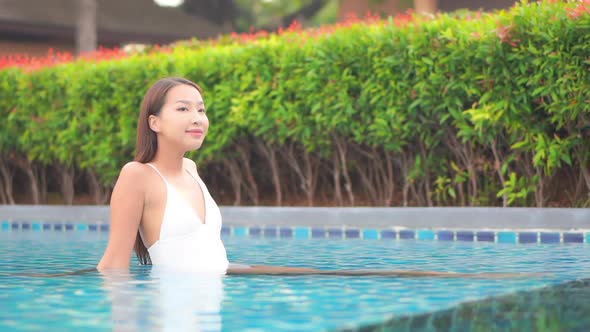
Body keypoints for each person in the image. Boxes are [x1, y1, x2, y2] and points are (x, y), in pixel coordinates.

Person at [95, 77, 531, 279]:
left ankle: (476, 278)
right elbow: (115, 264)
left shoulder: (191, 169)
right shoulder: (137, 176)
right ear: (153, 121)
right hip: (176, 314)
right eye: (184, 108)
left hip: (218, 291)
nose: (198, 118)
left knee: (354, 274)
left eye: (202, 108)